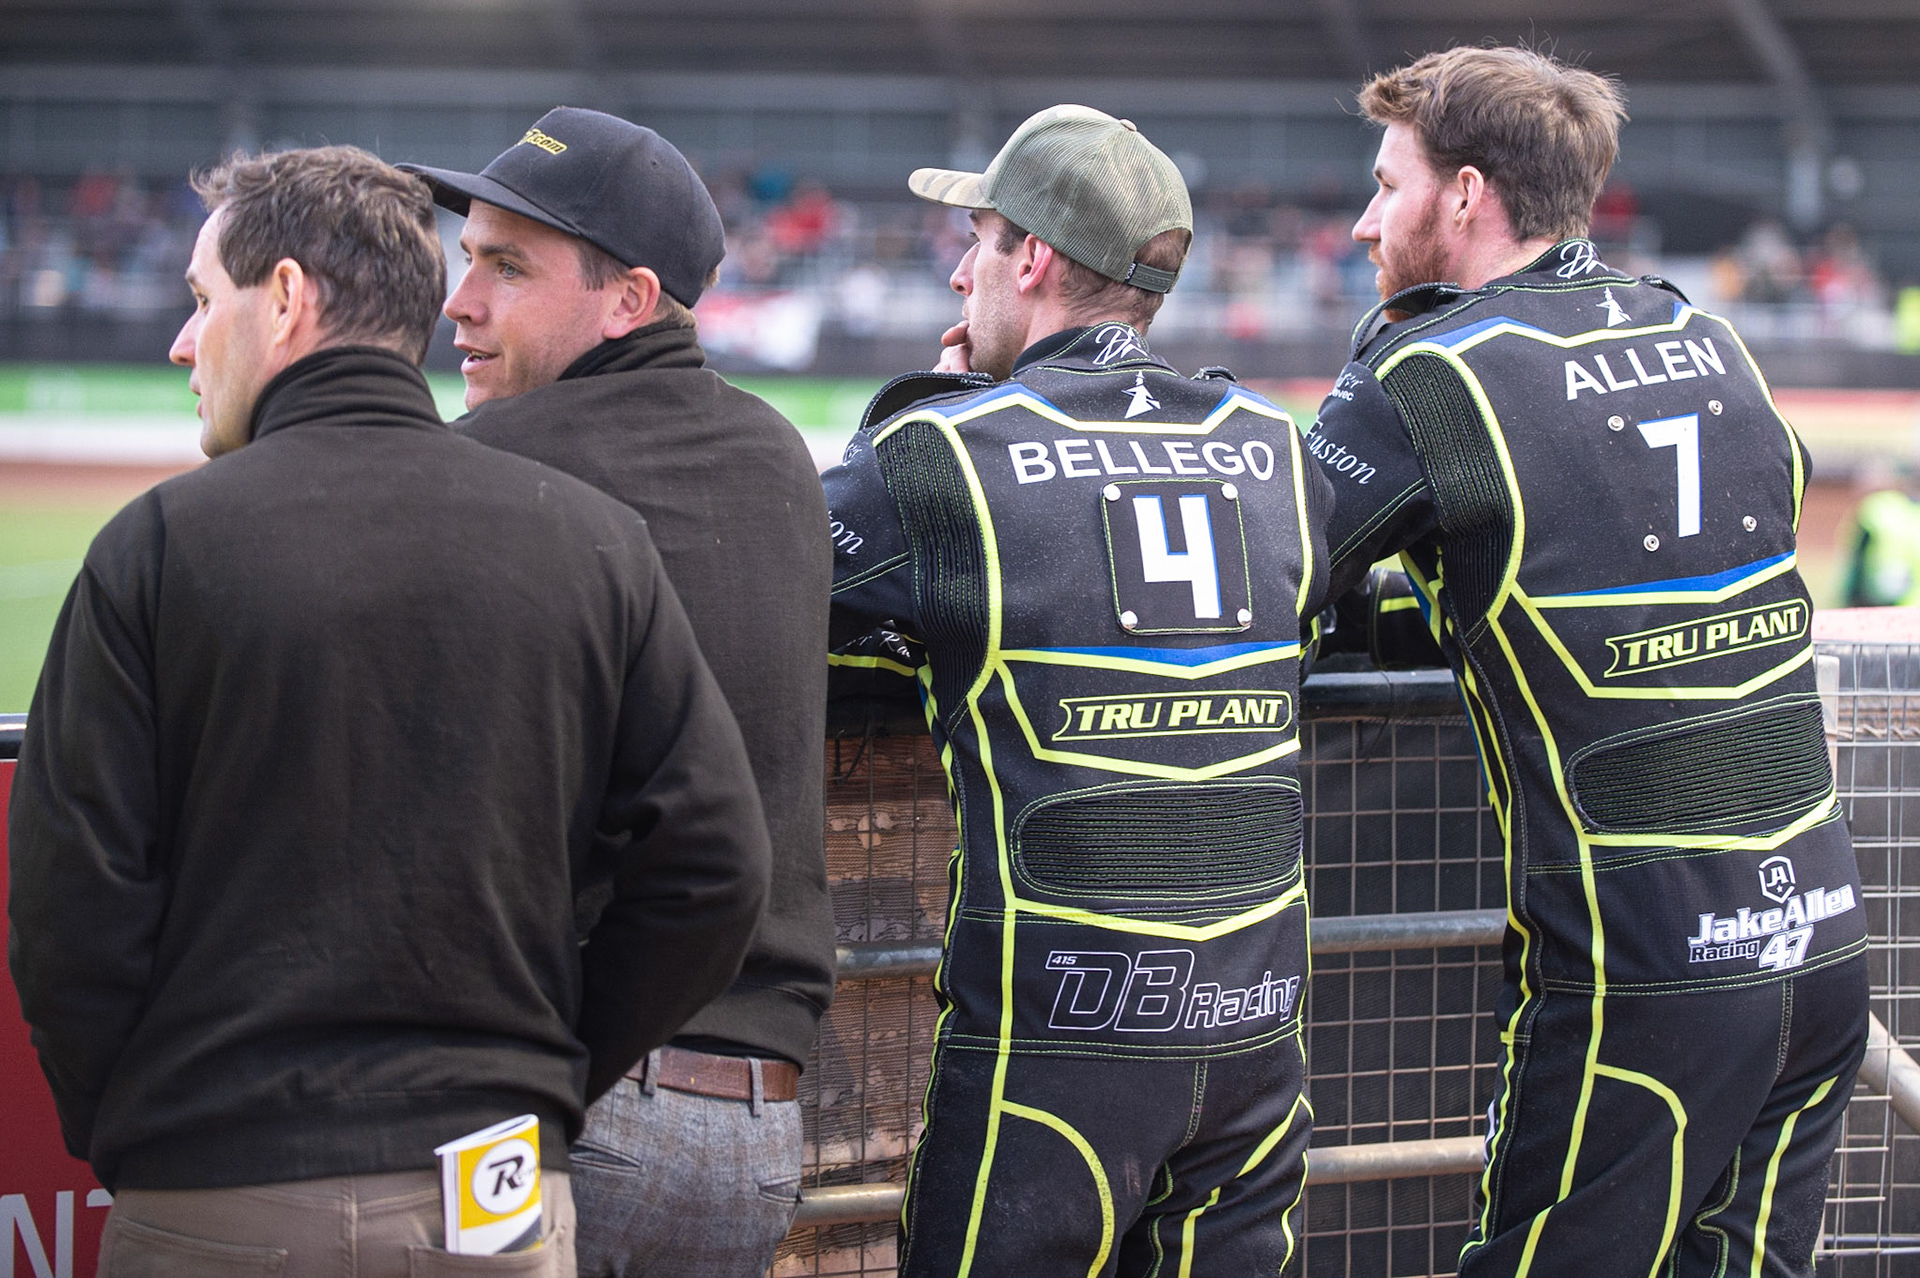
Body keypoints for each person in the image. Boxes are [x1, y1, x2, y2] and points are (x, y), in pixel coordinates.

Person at [7, 145, 772, 1277]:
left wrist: (147, 1133)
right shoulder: (588, 539)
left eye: (201, 301)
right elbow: (716, 867)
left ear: (283, 300)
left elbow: (70, 911)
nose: (182, 340)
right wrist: (542, 1081)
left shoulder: (159, 545)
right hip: (497, 1191)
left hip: (219, 1188)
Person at [1305, 46, 1868, 1277]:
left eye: (1385, 186)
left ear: (1464, 197)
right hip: (1821, 938)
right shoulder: (1705, 332)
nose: (1362, 223)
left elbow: (1269, 584)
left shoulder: (1431, 369)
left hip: (1646, 977)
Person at [822, 104, 1334, 1276]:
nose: (961, 269)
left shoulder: (950, 454)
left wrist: (920, 409)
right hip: (1256, 1040)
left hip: (1058, 1045)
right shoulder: (1272, 443)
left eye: (981, 240)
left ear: (1036, 261)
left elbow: (794, 585)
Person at [397, 107, 834, 1278]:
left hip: (561, 1109)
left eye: (505, 266)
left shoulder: (484, 466)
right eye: (465, 257)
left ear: (629, 301)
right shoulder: (779, 455)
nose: (460, 301)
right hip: (754, 1136)